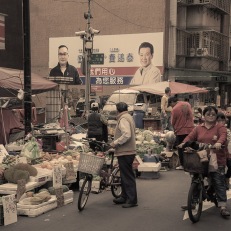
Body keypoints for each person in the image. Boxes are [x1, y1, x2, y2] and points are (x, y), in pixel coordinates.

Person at [180, 106, 230, 217]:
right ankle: (193, 202)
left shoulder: (220, 127)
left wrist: (218, 143)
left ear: (216, 116)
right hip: (201, 158)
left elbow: (223, 136)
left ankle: (222, 206)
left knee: (218, 182)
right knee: (196, 179)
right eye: (208, 114)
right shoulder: (198, 128)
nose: (211, 116)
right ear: (204, 115)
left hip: (217, 159)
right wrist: (183, 143)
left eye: (213, 114)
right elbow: (190, 137)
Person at [110, 102, 138, 208]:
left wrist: (115, 143)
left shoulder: (123, 119)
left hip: (126, 151)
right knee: (124, 176)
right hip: (128, 151)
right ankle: (124, 196)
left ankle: (132, 200)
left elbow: (126, 134)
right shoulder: (128, 117)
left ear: (118, 110)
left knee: (127, 176)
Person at [168, 96, 194, 170]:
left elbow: (172, 122)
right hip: (190, 130)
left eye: (170, 104)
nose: (171, 106)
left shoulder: (175, 109)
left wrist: (174, 128)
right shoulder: (187, 104)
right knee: (189, 148)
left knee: (181, 149)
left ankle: (183, 165)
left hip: (180, 131)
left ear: (172, 102)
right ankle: (191, 164)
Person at [216, 112, 231, 189]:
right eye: (218, 120)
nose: (220, 122)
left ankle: (227, 178)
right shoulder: (213, 130)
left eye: (222, 120)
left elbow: (228, 142)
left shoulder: (227, 131)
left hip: (227, 153)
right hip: (216, 153)